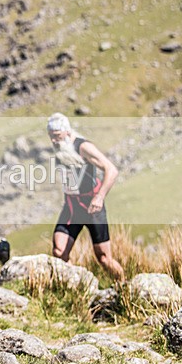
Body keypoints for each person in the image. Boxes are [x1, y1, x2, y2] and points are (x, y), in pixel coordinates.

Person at [47, 113, 125, 281]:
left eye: (57, 137)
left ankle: (124, 285)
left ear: (67, 132)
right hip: (72, 208)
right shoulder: (61, 148)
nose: (54, 141)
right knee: (59, 252)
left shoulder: (83, 147)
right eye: (51, 137)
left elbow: (111, 170)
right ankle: (71, 287)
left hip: (92, 209)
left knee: (104, 258)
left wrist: (99, 197)